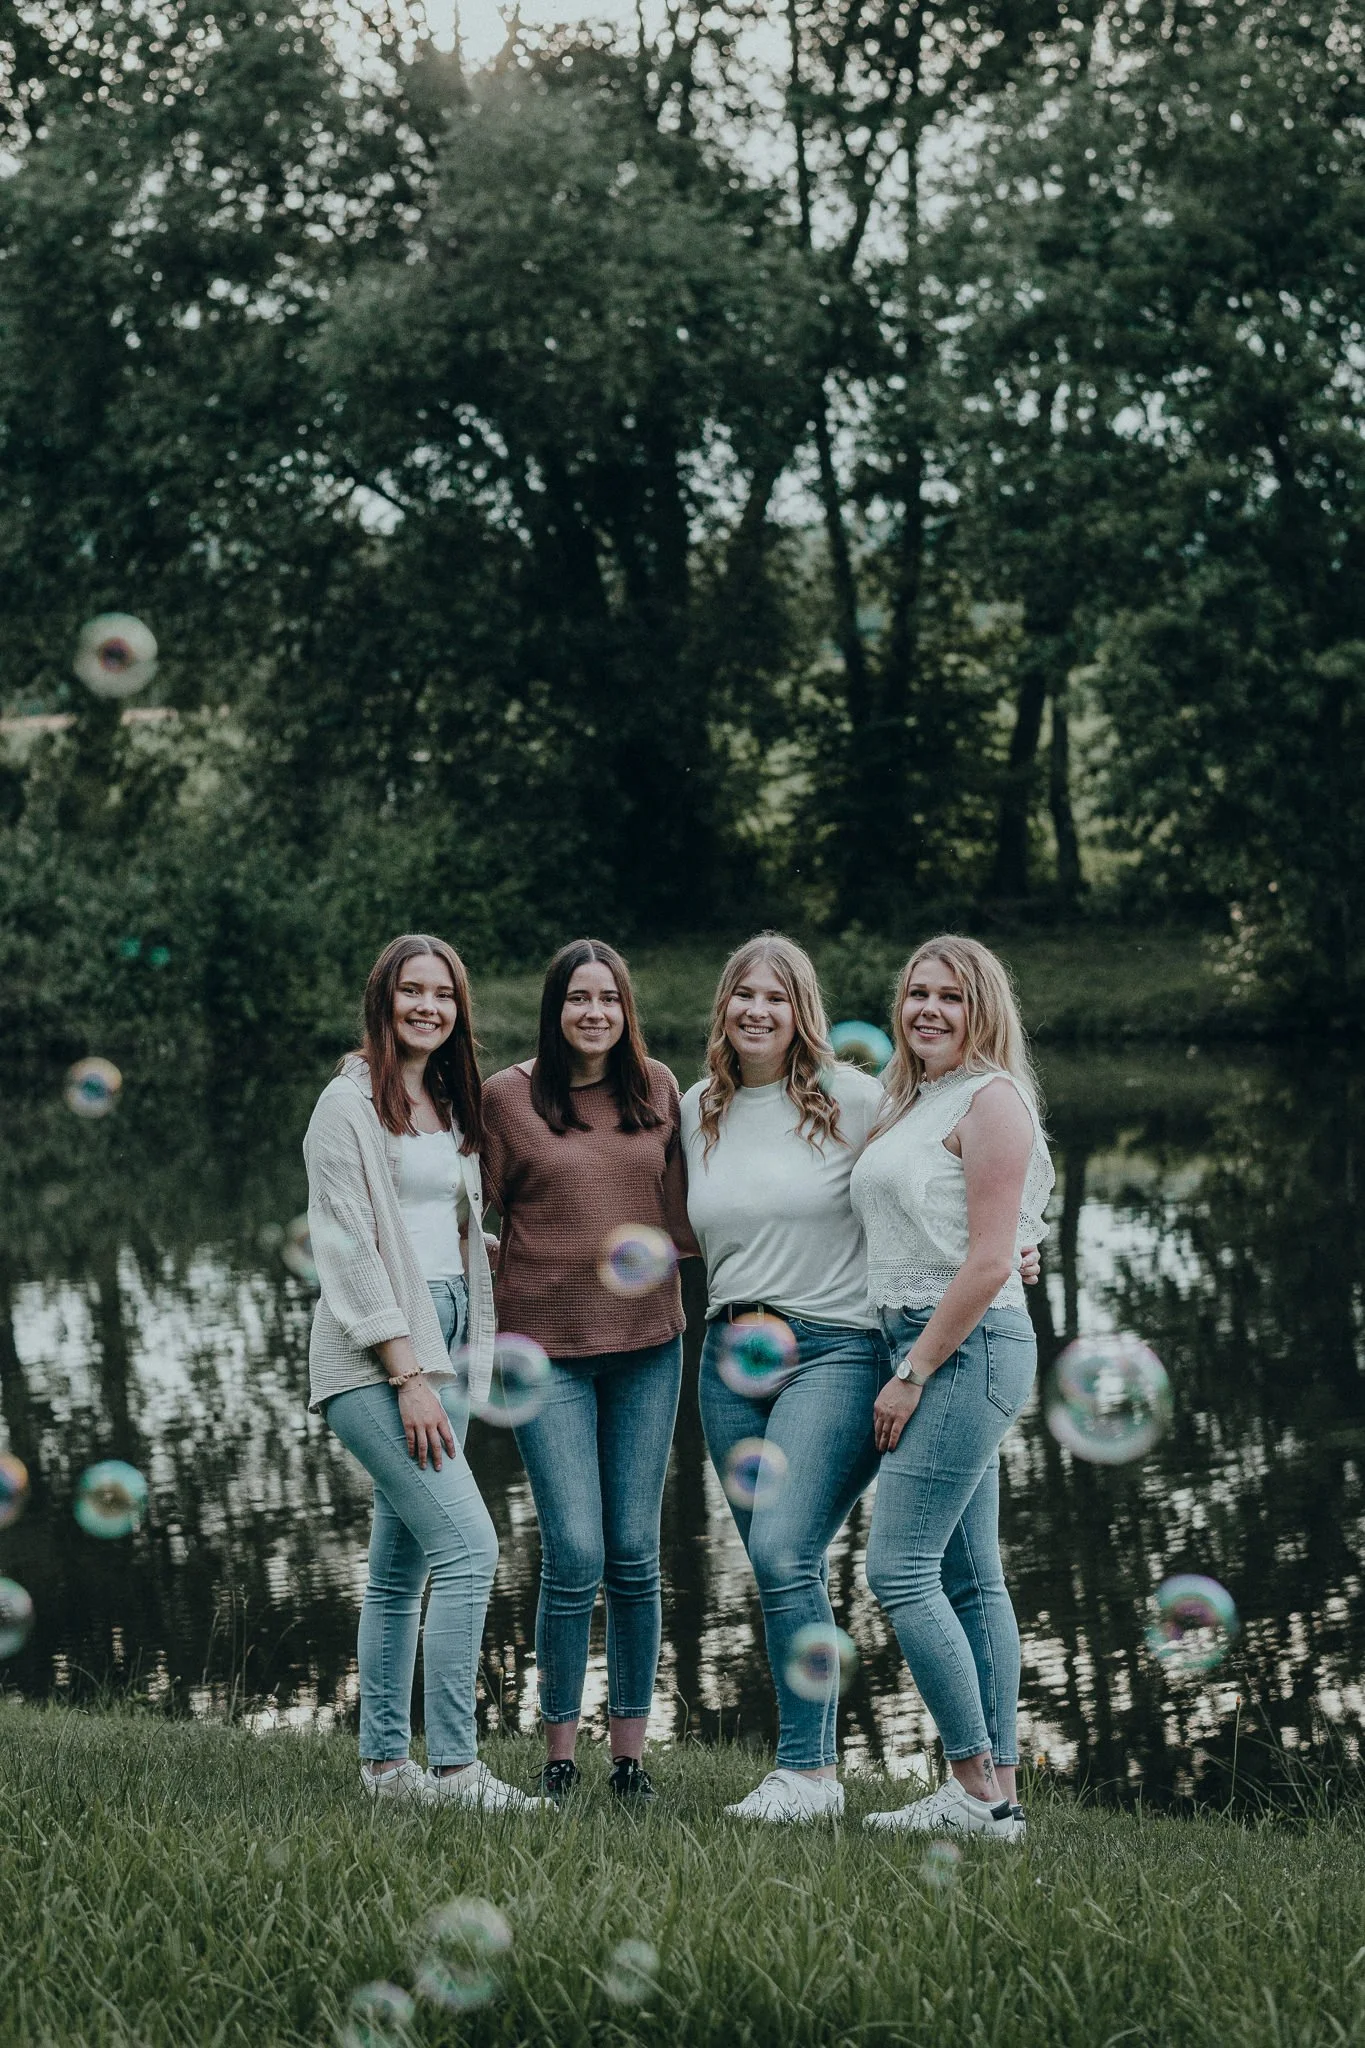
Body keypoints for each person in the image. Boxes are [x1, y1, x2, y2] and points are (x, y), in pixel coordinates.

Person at [303, 933, 542, 1812]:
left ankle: (383, 1770)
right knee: (470, 1547)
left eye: (443, 994)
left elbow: (435, 1227)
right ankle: (455, 1771)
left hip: (448, 1333)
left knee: (400, 1569)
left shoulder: (446, 1098)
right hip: (377, 1352)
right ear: (384, 998)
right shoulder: (345, 1105)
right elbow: (350, 1247)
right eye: (413, 991)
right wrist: (405, 1376)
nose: (428, 1007)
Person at [480, 939, 696, 1805]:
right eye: (578, 998)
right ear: (555, 1008)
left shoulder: (660, 1089)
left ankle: (631, 1760)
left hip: (648, 1345)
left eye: (608, 998)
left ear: (625, 1006)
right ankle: (560, 1755)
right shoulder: (506, 1098)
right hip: (546, 1352)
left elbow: (688, 1216)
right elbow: (465, 1211)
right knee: (573, 1552)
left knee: (635, 1554)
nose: (594, 1013)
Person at [680, 933, 888, 1824]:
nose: (756, 1011)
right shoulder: (697, 1108)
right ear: (723, 1007)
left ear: (801, 1008)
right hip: (728, 1358)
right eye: (742, 996)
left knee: (780, 1550)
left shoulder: (857, 1098)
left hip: (836, 1349)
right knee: (778, 1567)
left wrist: (1017, 1241)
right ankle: (806, 1773)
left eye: (775, 997)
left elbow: (945, 1176)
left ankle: (807, 1775)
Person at [850, 935, 1053, 1843]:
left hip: (959, 1349)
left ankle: (971, 1785)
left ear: (982, 1010)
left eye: (949, 997)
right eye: (915, 993)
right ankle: (997, 1792)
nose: (926, 1009)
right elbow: (985, 1234)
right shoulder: (915, 1098)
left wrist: (911, 1372)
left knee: (897, 1567)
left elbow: (985, 1263)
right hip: (927, 1338)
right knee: (971, 1577)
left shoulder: (992, 1099)